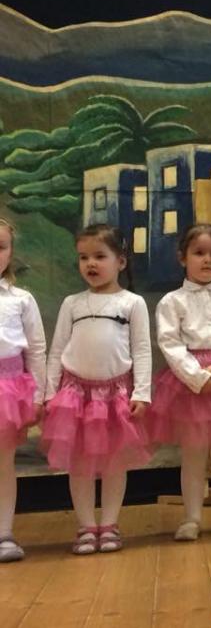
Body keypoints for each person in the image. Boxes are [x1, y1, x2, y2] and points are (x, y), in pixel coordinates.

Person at [42, 225, 152, 556]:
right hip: (75, 396)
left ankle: (110, 524)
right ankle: (87, 526)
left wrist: (142, 392)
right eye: (83, 257)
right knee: (80, 464)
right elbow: (57, 350)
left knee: (115, 463)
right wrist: (49, 392)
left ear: (121, 261)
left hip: (116, 395)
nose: (90, 263)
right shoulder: (72, 303)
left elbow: (142, 350)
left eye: (99, 256)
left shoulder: (132, 303)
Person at [145, 224, 211, 540]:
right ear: (182, 257)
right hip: (189, 387)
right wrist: (197, 377)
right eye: (199, 253)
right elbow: (170, 343)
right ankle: (192, 517)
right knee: (193, 455)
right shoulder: (172, 302)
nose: (207, 260)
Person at [0, 219, 46, 563]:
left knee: (4, 463)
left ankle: (4, 533)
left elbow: (36, 349)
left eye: (0, 247)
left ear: (10, 252)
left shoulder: (21, 299)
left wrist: (39, 395)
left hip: (9, 392)